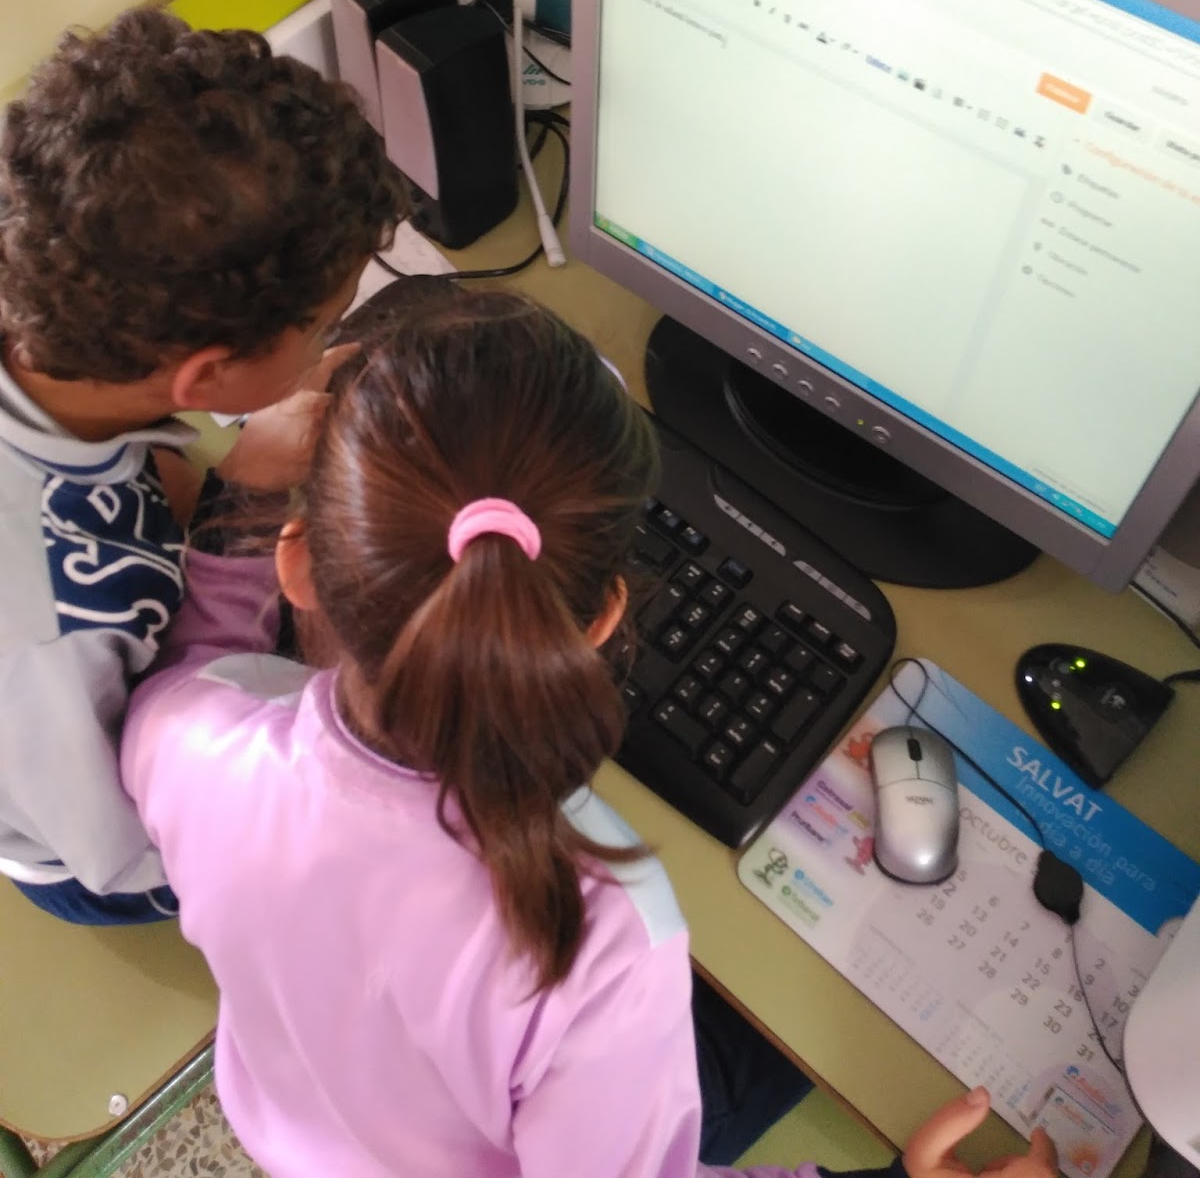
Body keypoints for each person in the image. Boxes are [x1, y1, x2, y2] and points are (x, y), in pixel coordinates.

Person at [121, 286, 1059, 1178]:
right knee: (780, 1041)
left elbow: (194, 667)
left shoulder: (186, 740)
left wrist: (240, 503)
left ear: (299, 565)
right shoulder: (601, 932)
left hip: (298, 1129)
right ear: (605, 616)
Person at [0, 6, 404, 924]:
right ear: (209, 377)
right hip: (108, 839)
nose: (329, 338)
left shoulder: (50, 305)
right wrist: (242, 502)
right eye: (323, 325)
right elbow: (138, 842)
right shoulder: (49, 643)